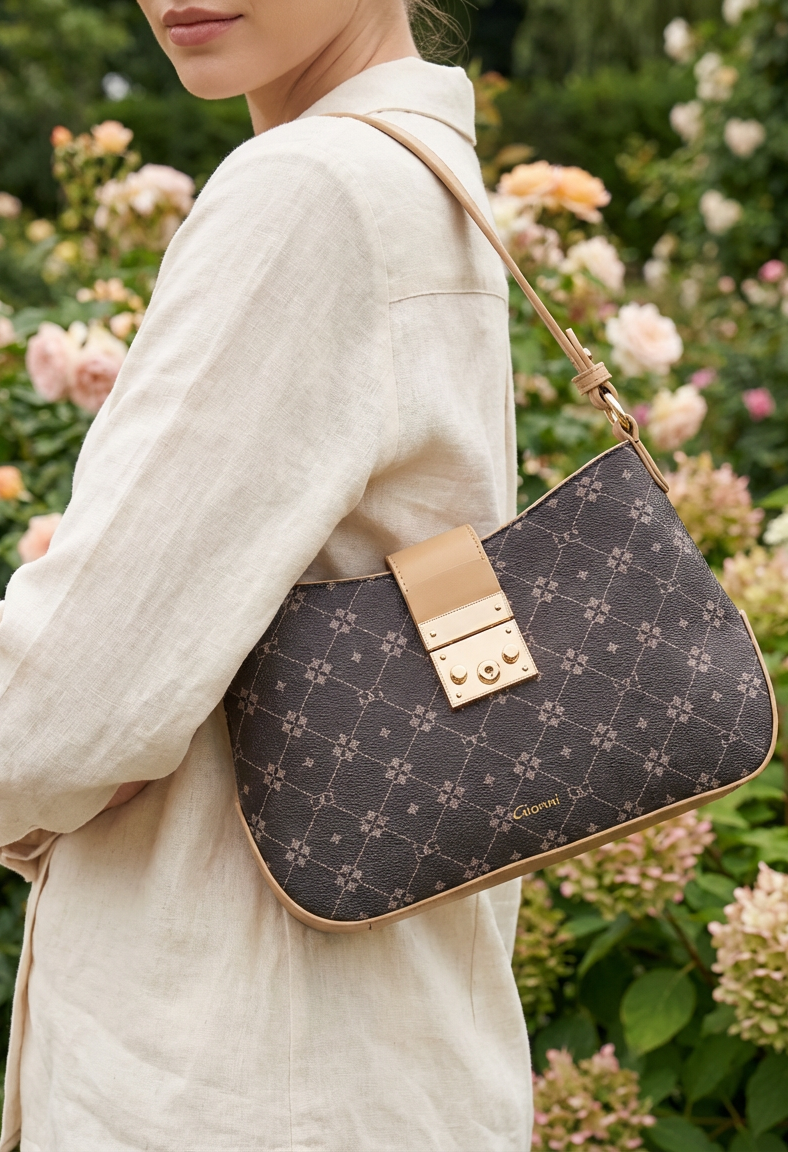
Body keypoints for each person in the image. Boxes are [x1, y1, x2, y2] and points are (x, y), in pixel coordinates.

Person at [0, 1, 532, 1148]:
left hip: (231, 1070)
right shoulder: (422, 173)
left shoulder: (311, 187)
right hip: (377, 1057)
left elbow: (63, 707)